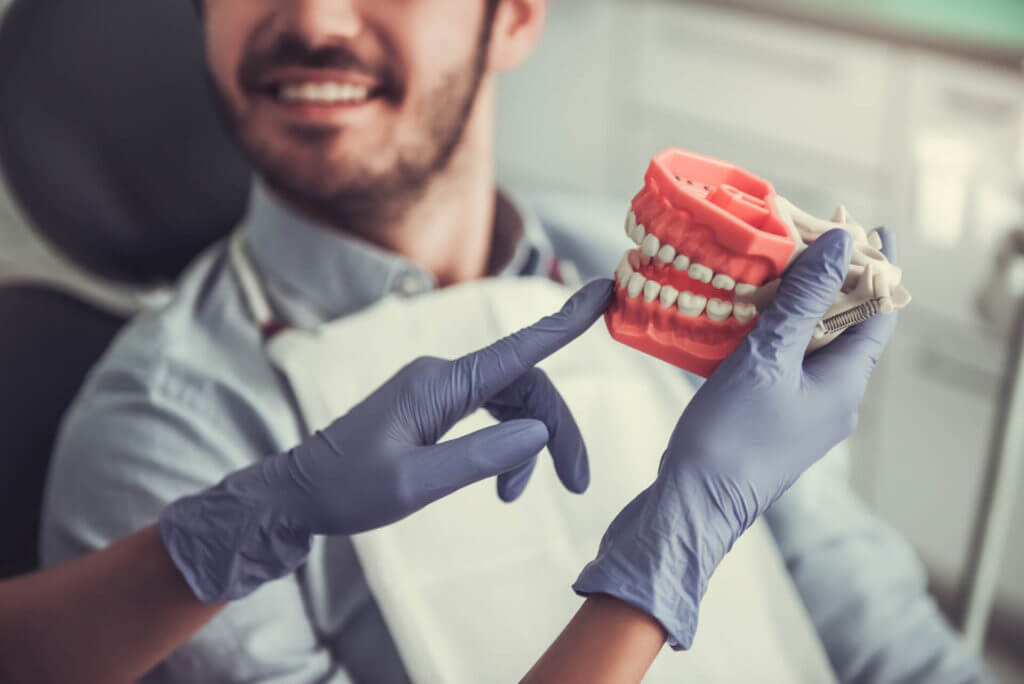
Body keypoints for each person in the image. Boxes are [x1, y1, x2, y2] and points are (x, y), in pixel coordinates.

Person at [40, 0, 987, 682]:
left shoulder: (655, 274)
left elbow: (885, 641)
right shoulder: (166, 430)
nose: (319, 18)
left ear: (520, 16)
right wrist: (667, 555)